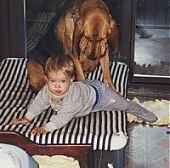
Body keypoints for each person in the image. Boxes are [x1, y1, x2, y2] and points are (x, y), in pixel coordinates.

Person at [11, 54, 157, 135]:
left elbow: (62, 118)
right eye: (52, 81)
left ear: (71, 79)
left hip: (101, 96)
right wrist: (27, 117)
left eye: (62, 81)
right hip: (85, 91)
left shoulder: (72, 98)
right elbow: (39, 102)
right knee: (82, 89)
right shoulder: (48, 89)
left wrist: (45, 128)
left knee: (123, 105)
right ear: (46, 79)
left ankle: (145, 113)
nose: (56, 86)